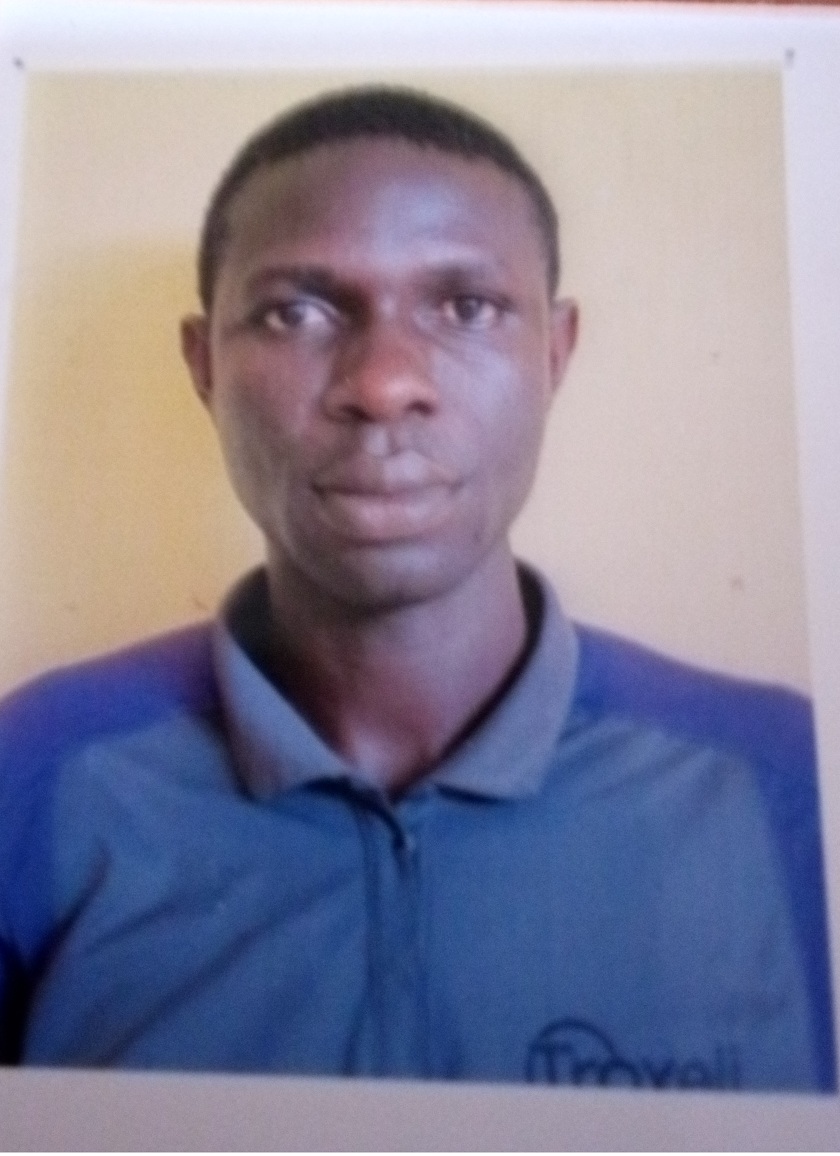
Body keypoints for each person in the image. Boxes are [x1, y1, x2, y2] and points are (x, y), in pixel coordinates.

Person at [0, 86, 833, 1090]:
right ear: (204, 364)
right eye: (295, 312)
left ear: (555, 352)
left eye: (465, 307)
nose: (384, 382)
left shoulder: (791, 785)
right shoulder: (29, 778)